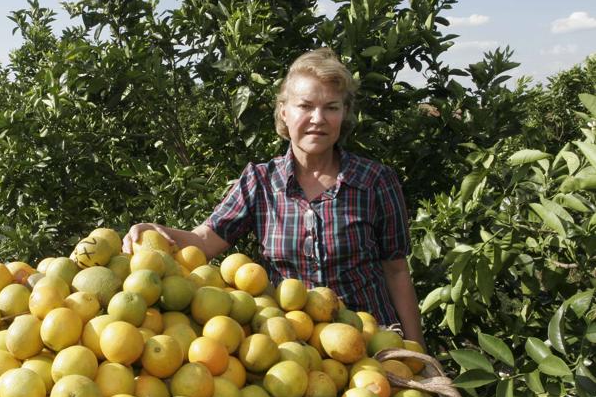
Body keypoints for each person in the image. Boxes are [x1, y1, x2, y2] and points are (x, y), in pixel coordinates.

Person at [123, 48, 424, 344]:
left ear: (344, 113)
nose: (318, 118)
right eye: (305, 106)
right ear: (284, 111)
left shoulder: (374, 181)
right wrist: (157, 231)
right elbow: (204, 241)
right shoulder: (261, 181)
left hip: (372, 342)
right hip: (293, 348)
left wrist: (419, 352)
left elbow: (396, 271)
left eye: (331, 107)